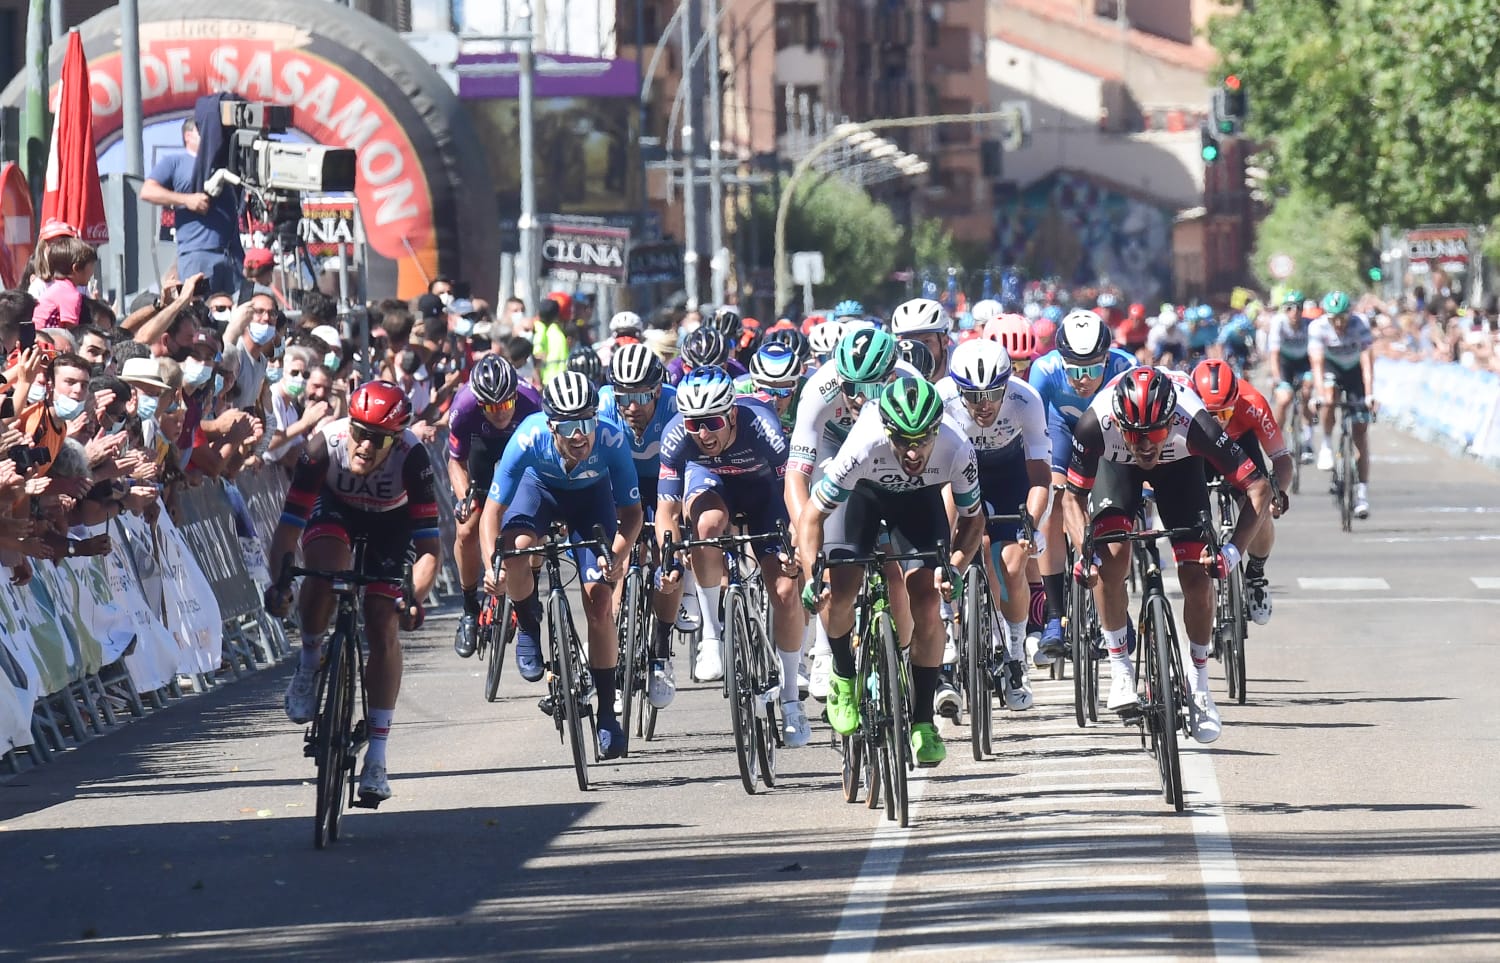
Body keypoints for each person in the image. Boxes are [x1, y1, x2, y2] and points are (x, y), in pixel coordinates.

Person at [1063, 367, 1273, 745]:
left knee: (1198, 576)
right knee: (1109, 562)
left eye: (1155, 434)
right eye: (1135, 436)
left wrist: (1232, 552)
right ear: (1119, 423)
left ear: (1170, 419)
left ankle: (1199, 686)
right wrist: (1084, 553)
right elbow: (1071, 498)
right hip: (1117, 468)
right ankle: (1120, 667)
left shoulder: (1196, 423)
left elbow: (1258, 488)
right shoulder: (1096, 424)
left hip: (1180, 466)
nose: (1145, 446)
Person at [263, 381, 441, 803]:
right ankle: (309, 664)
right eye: (360, 432)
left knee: (383, 626)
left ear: (395, 440)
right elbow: (289, 529)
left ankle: (376, 758)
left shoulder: (413, 458)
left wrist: (412, 596)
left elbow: (430, 549)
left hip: (390, 524)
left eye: (377, 438)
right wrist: (280, 583)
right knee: (323, 569)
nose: (364, 445)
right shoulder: (322, 446)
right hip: (335, 507)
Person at [798, 378, 985, 767]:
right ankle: (844, 678)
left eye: (922, 440)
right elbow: (813, 516)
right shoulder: (864, 442)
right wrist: (812, 574)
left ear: (937, 430)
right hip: (862, 498)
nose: (913, 452)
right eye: (902, 441)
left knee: (929, 601)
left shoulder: (956, 448)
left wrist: (955, 566)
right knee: (841, 587)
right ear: (887, 431)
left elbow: (972, 521)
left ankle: (921, 723)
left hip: (918, 505)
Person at [477, 371, 642, 759]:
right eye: (569, 426)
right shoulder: (528, 437)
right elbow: (491, 514)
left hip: (591, 499)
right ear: (551, 425)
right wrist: (491, 566)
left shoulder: (611, 441)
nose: (579, 434)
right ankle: (528, 623)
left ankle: (606, 714)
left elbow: (632, 513)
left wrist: (617, 556)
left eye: (586, 422)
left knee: (600, 603)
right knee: (515, 549)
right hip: (540, 491)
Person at [652, 367, 811, 743]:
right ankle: (712, 635)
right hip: (712, 488)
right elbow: (666, 510)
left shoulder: (763, 425)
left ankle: (791, 699)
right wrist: (669, 559)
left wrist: (796, 538)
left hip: (764, 493)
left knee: (787, 592)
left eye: (713, 422)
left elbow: (791, 491)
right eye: (695, 425)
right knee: (706, 526)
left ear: (733, 414)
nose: (703, 434)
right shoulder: (677, 436)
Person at [938, 338, 1052, 712]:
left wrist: (1030, 528)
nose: (983, 405)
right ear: (957, 389)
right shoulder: (940, 399)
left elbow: (1039, 478)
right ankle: (947, 639)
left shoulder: (1026, 400)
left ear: (1008, 383)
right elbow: (934, 478)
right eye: (972, 396)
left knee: (1012, 563)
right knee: (946, 536)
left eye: (992, 393)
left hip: (1009, 475)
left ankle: (1016, 655)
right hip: (956, 471)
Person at [1028, 309, 1137, 666]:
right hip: (1062, 430)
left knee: (1115, 507)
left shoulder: (1125, 367)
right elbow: (1034, 436)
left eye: (1092, 369)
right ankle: (1054, 617)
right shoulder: (1044, 372)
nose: (1083, 380)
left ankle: (1115, 600)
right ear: (1062, 362)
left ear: (1108, 359)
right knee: (1051, 506)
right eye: (1075, 370)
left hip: (1110, 436)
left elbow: (1136, 433)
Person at [448, 355, 542, 659]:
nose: (500, 414)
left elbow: (543, 463)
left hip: (523, 459)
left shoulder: (531, 402)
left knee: (534, 525)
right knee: (466, 530)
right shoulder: (463, 407)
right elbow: (456, 461)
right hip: (482, 455)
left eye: (505, 404)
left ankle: (532, 590)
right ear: (479, 402)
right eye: (491, 407)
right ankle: (468, 609)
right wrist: (465, 498)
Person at [1191, 359, 1293, 624]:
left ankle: (1256, 574)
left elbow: (1282, 459)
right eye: (1211, 414)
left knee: (1260, 509)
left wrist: (1278, 492)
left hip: (1239, 449)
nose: (1218, 422)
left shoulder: (1253, 402)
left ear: (1236, 401)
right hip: (1198, 449)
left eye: (1225, 414)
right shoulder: (1182, 403)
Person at [140, 116, 243, 294]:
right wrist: (186, 200)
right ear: (188, 136)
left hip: (233, 255)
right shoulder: (175, 162)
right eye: (203, 131)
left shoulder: (226, 162)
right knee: (199, 314)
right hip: (197, 253)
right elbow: (147, 191)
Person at [1309, 291, 1376, 518]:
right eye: (1333, 319)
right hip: (1332, 369)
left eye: (1342, 318)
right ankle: (1326, 444)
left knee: (1360, 433)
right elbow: (1317, 365)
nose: (1338, 323)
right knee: (1328, 397)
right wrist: (1318, 395)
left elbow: (1367, 363)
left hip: (1355, 372)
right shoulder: (1318, 327)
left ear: (1349, 315)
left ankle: (1362, 494)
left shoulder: (1360, 324)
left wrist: (1370, 395)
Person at [890, 298, 954, 381]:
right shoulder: (889, 373)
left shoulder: (961, 368)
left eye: (926, 341)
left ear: (945, 341)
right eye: (908, 343)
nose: (917, 351)